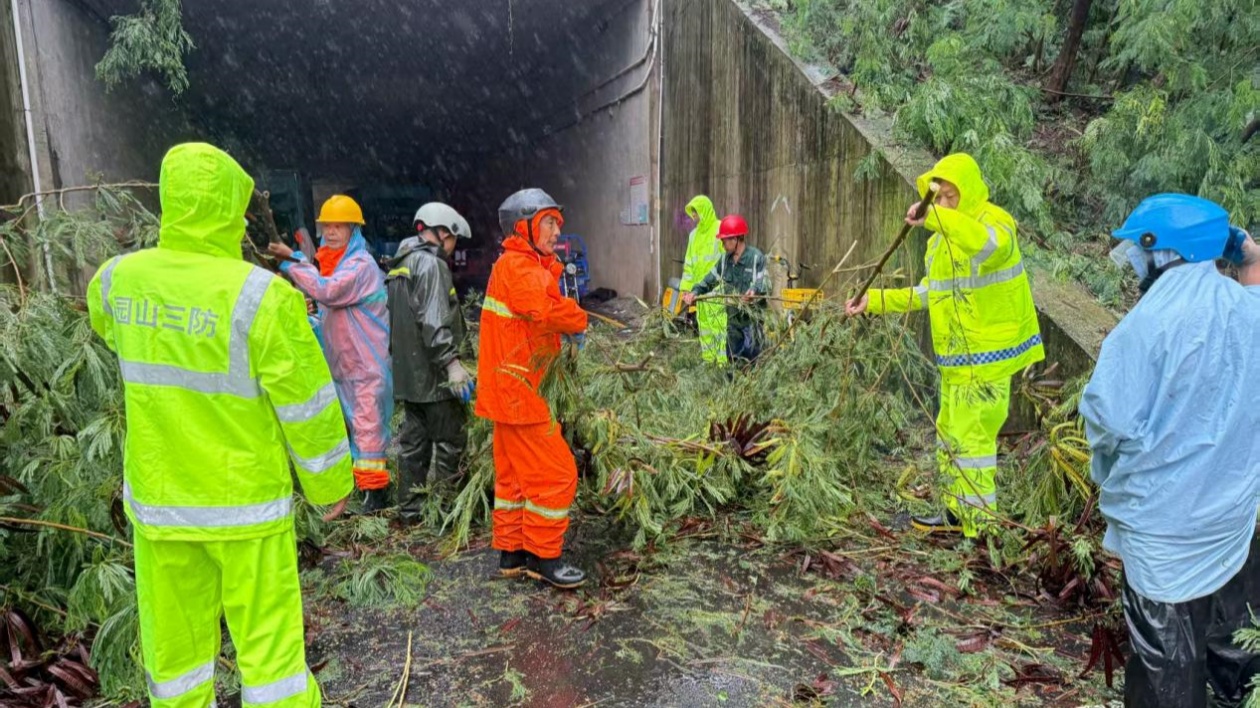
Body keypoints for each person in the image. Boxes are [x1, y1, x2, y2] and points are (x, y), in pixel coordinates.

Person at [87, 143, 353, 708]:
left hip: (163, 507)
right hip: (246, 506)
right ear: (233, 211)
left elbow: (114, 334)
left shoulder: (118, 280)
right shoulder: (260, 296)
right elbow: (307, 404)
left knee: (176, 660)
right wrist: (330, 486)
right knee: (271, 658)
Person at [1080, 193, 1259, 708]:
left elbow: (1107, 418)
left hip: (1163, 529)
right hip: (1230, 522)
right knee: (1235, 647)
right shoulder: (1245, 315)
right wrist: (1248, 256)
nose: (1134, 260)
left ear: (1164, 251)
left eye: (1139, 248)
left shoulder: (1145, 327)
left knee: (1168, 665)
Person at [845, 153, 1043, 537]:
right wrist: (875, 302)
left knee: (973, 443)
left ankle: (981, 529)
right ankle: (955, 513)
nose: (945, 204)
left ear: (967, 192)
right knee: (950, 433)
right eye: (940, 198)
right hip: (954, 362)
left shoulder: (993, 222)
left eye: (951, 196)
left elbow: (989, 249)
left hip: (986, 360)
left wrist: (937, 217)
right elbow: (928, 293)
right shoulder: (938, 244)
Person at [475, 188, 589, 589]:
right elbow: (544, 310)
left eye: (557, 222)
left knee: (515, 479)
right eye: (548, 222)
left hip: (510, 389)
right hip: (524, 392)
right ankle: (545, 558)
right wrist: (578, 318)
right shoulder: (521, 268)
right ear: (523, 227)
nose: (556, 230)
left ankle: (513, 552)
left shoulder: (517, 265)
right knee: (557, 474)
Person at [269, 196, 394, 512]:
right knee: (351, 428)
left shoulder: (360, 266)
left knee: (368, 430)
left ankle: (376, 495)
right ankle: (356, 488)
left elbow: (328, 290)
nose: (332, 232)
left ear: (353, 230)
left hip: (365, 366)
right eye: (327, 226)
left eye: (339, 226)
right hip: (343, 366)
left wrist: (292, 260)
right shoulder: (332, 264)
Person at [386, 202, 474, 524]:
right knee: (452, 443)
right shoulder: (431, 265)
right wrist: (452, 364)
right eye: (453, 240)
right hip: (435, 378)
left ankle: (412, 513)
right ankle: (449, 512)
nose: (452, 249)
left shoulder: (401, 264)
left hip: (409, 379)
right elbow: (434, 322)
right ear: (442, 233)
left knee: (413, 448)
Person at [682, 214, 770, 366]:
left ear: (735, 239)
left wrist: (753, 292)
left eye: (724, 240)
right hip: (733, 322)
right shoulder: (725, 260)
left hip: (752, 322)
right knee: (733, 362)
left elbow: (765, 283)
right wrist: (695, 292)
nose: (722, 244)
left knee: (752, 361)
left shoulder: (756, 258)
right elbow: (710, 279)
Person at [679, 195, 728, 365]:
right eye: (692, 213)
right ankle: (709, 361)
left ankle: (722, 362)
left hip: (717, 290)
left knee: (719, 326)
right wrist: (686, 288)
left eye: (696, 212)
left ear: (704, 210)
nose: (694, 217)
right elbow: (689, 263)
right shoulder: (693, 235)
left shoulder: (720, 228)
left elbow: (727, 257)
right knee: (704, 326)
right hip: (700, 291)